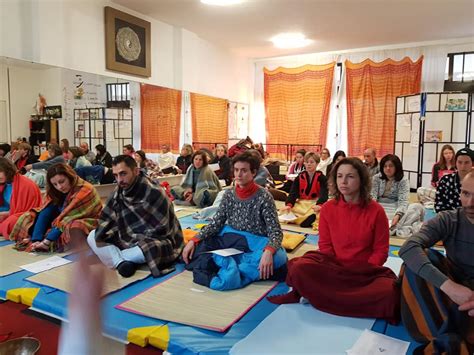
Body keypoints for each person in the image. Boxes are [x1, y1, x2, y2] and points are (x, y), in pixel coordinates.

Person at [269, 158, 399, 323]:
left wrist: (362, 270)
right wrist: (335, 269)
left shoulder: (376, 211)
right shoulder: (329, 208)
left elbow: (380, 251)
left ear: (362, 180)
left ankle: (320, 295)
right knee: (299, 267)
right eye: (339, 176)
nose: (343, 181)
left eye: (350, 177)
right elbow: (325, 245)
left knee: (390, 292)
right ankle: (340, 297)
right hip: (333, 268)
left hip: (365, 273)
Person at [182, 150, 286, 289]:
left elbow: (276, 232)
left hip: (254, 242)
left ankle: (226, 265)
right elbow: (216, 223)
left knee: (278, 258)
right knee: (193, 250)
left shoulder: (264, 197)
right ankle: (235, 265)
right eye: (236, 170)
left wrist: (269, 251)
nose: (238, 174)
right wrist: (195, 239)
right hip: (230, 237)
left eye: (244, 170)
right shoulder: (228, 194)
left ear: (253, 172)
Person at [399, 171, 474, 354]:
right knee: (417, 261)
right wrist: (449, 287)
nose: (470, 203)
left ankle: (448, 337)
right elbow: (408, 247)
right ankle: (451, 335)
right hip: (452, 288)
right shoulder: (450, 219)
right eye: (466, 194)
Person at [87, 155, 183, 278]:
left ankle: (115, 259)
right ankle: (121, 262)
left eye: (123, 174)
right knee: (92, 236)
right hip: (126, 237)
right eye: (116, 175)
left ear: (136, 171)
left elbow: (162, 230)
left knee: (151, 248)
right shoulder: (118, 192)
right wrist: (118, 235)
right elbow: (106, 221)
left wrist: (135, 240)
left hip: (153, 240)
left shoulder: (154, 192)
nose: (119, 180)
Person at [11, 163, 102, 252]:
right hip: (60, 220)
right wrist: (36, 239)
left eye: (62, 181)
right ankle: (37, 239)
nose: (59, 187)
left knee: (74, 225)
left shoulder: (86, 190)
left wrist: (47, 241)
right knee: (29, 216)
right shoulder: (54, 191)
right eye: (55, 184)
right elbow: (45, 211)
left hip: (85, 219)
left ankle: (48, 240)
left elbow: (68, 217)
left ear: (70, 177)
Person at [372, 154, 424, 237]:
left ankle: (392, 226)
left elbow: (403, 201)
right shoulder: (376, 178)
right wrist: (373, 211)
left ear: (397, 167)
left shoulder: (403, 180)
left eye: (391, 166)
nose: (388, 168)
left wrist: (398, 215)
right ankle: (393, 227)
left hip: (396, 207)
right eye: (385, 166)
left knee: (417, 207)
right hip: (379, 208)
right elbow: (372, 197)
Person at [280, 152, 328, 227]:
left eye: (312, 162)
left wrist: (319, 205)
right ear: (304, 163)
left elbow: (324, 193)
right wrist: (289, 204)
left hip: (314, 203)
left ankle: (306, 219)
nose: (309, 164)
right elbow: (293, 192)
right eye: (306, 162)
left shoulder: (322, 178)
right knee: (287, 211)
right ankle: (304, 220)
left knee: (320, 212)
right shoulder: (299, 177)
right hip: (301, 202)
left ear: (317, 163)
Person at [0, 158, 42, 237]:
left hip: (23, 215)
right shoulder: (2, 183)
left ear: (7, 170)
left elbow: (27, 212)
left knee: (11, 222)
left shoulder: (26, 185)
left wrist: (5, 214)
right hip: (8, 213)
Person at [435, 147, 474, 213]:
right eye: (459, 162)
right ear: (455, 163)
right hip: (449, 219)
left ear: (472, 163)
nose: (462, 166)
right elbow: (439, 205)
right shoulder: (445, 180)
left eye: (466, 162)